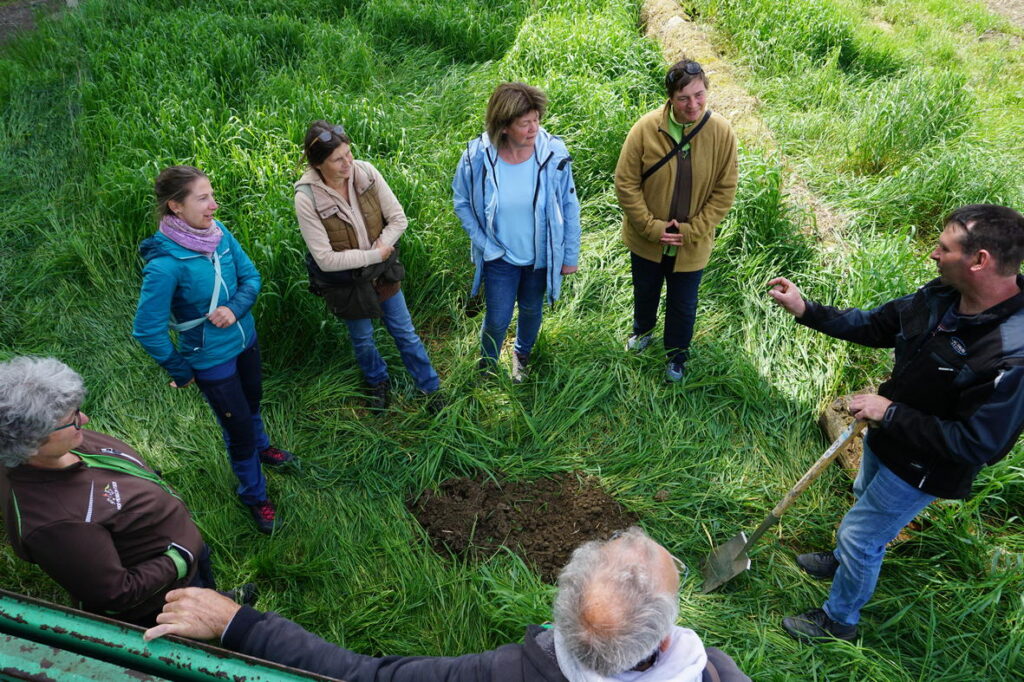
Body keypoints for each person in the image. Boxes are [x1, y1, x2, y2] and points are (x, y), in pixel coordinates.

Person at [768, 204, 1024, 643]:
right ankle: (844, 558)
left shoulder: (1011, 351)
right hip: (886, 437)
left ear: (979, 260)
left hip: (924, 466)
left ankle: (839, 621)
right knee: (862, 496)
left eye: (944, 248)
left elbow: (979, 444)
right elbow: (875, 325)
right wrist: (806, 309)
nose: (933, 255)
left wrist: (890, 412)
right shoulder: (943, 295)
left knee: (861, 535)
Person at [144, 526, 748, 681]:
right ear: (664, 639)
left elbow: (364, 677)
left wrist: (239, 623)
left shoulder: (508, 672)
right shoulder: (717, 674)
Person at [133, 165, 295, 535]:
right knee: (236, 427)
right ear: (175, 206)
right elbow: (146, 329)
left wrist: (234, 309)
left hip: (245, 340)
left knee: (252, 402)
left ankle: (263, 447)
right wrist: (181, 370)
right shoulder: (164, 266)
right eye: (203, 198)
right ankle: (254, 495)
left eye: (212, 195)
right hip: (210, 360)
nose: (214, 206)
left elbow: (252, 278)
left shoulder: (220, 236)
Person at [0, 356, 212, 626]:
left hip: (179, 549)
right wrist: (180, 557)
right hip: (162, 598)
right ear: (31, 442)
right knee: (200, 622)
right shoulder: (59, 524)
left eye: (77, 410)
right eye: (72, 419)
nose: (85, 420)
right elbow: (115, 594)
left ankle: (213, 596)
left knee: (207, 592)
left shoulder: (60, 447)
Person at [296, 121, 441, 411]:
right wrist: (375, 255)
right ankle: (377, 382)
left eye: (348, 153)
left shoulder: (366, 173)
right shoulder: (306, 198)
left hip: (382, 273)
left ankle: (430, 387)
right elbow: (325, 259)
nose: (348, 163)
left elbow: (398, 219)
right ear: (318, 164)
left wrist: (380, 250)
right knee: (362, 339)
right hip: (347, 284)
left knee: (405, 332)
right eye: (338, 159)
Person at [615, 59, 738, 382]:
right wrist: (651, 227)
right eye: (684, 98)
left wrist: (692, 231)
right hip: (646, 240)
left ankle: (677, 357)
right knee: (645, 290)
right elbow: (625, 182)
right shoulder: (645, 128)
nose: (693, 104)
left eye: (699, 95)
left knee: (684, 304)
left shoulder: (722, 132)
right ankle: (642, 332)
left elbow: (725, 191)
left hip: (691, 244)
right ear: (670, 97)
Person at [453, 82, 582, 383]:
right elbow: (461, 202)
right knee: (497, 319)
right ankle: (486, 364)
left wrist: (570, 254)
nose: (534, 128)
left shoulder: (554, 153)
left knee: (531, 310)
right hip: (500, 256)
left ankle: (521, 356)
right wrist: (485, 244)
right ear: (504, 126)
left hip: (540, 255)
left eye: (536, 119)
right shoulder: (477, 157)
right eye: (525, 123)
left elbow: (570, 204)